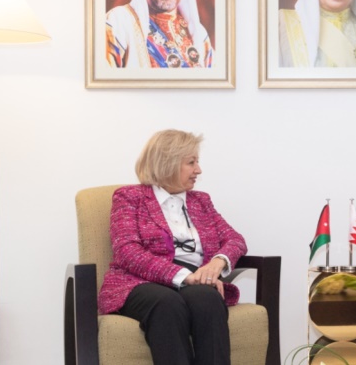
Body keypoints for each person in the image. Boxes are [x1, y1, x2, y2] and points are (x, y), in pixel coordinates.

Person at [98, 129, 247, 365]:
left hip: (195, 280)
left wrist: (216, 264)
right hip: (139, 282)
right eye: (191, 162)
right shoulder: (129, 197)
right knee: (167, 303)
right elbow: (127, 251)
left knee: (208, 300)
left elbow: (235, 240)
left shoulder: (201, 201)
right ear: (167, 163)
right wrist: (184, 276)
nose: (198, 170)